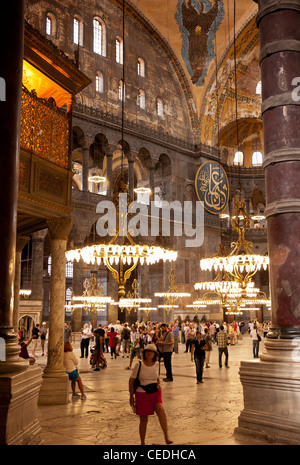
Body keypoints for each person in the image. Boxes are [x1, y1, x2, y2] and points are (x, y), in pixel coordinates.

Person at [129, 343, 172, 446]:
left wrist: (159, 385)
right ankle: (142, 442)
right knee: (144, 419)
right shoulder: (139, 364)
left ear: (155, 354)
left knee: (161, 411)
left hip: (155, 392)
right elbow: (131, 381)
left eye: (151, 352)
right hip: (142, 394)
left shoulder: (157, 364)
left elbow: (156, 377)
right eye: (147, 351)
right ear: (144, 353)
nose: (149, 354)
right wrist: (131, 396)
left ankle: (166, 436)